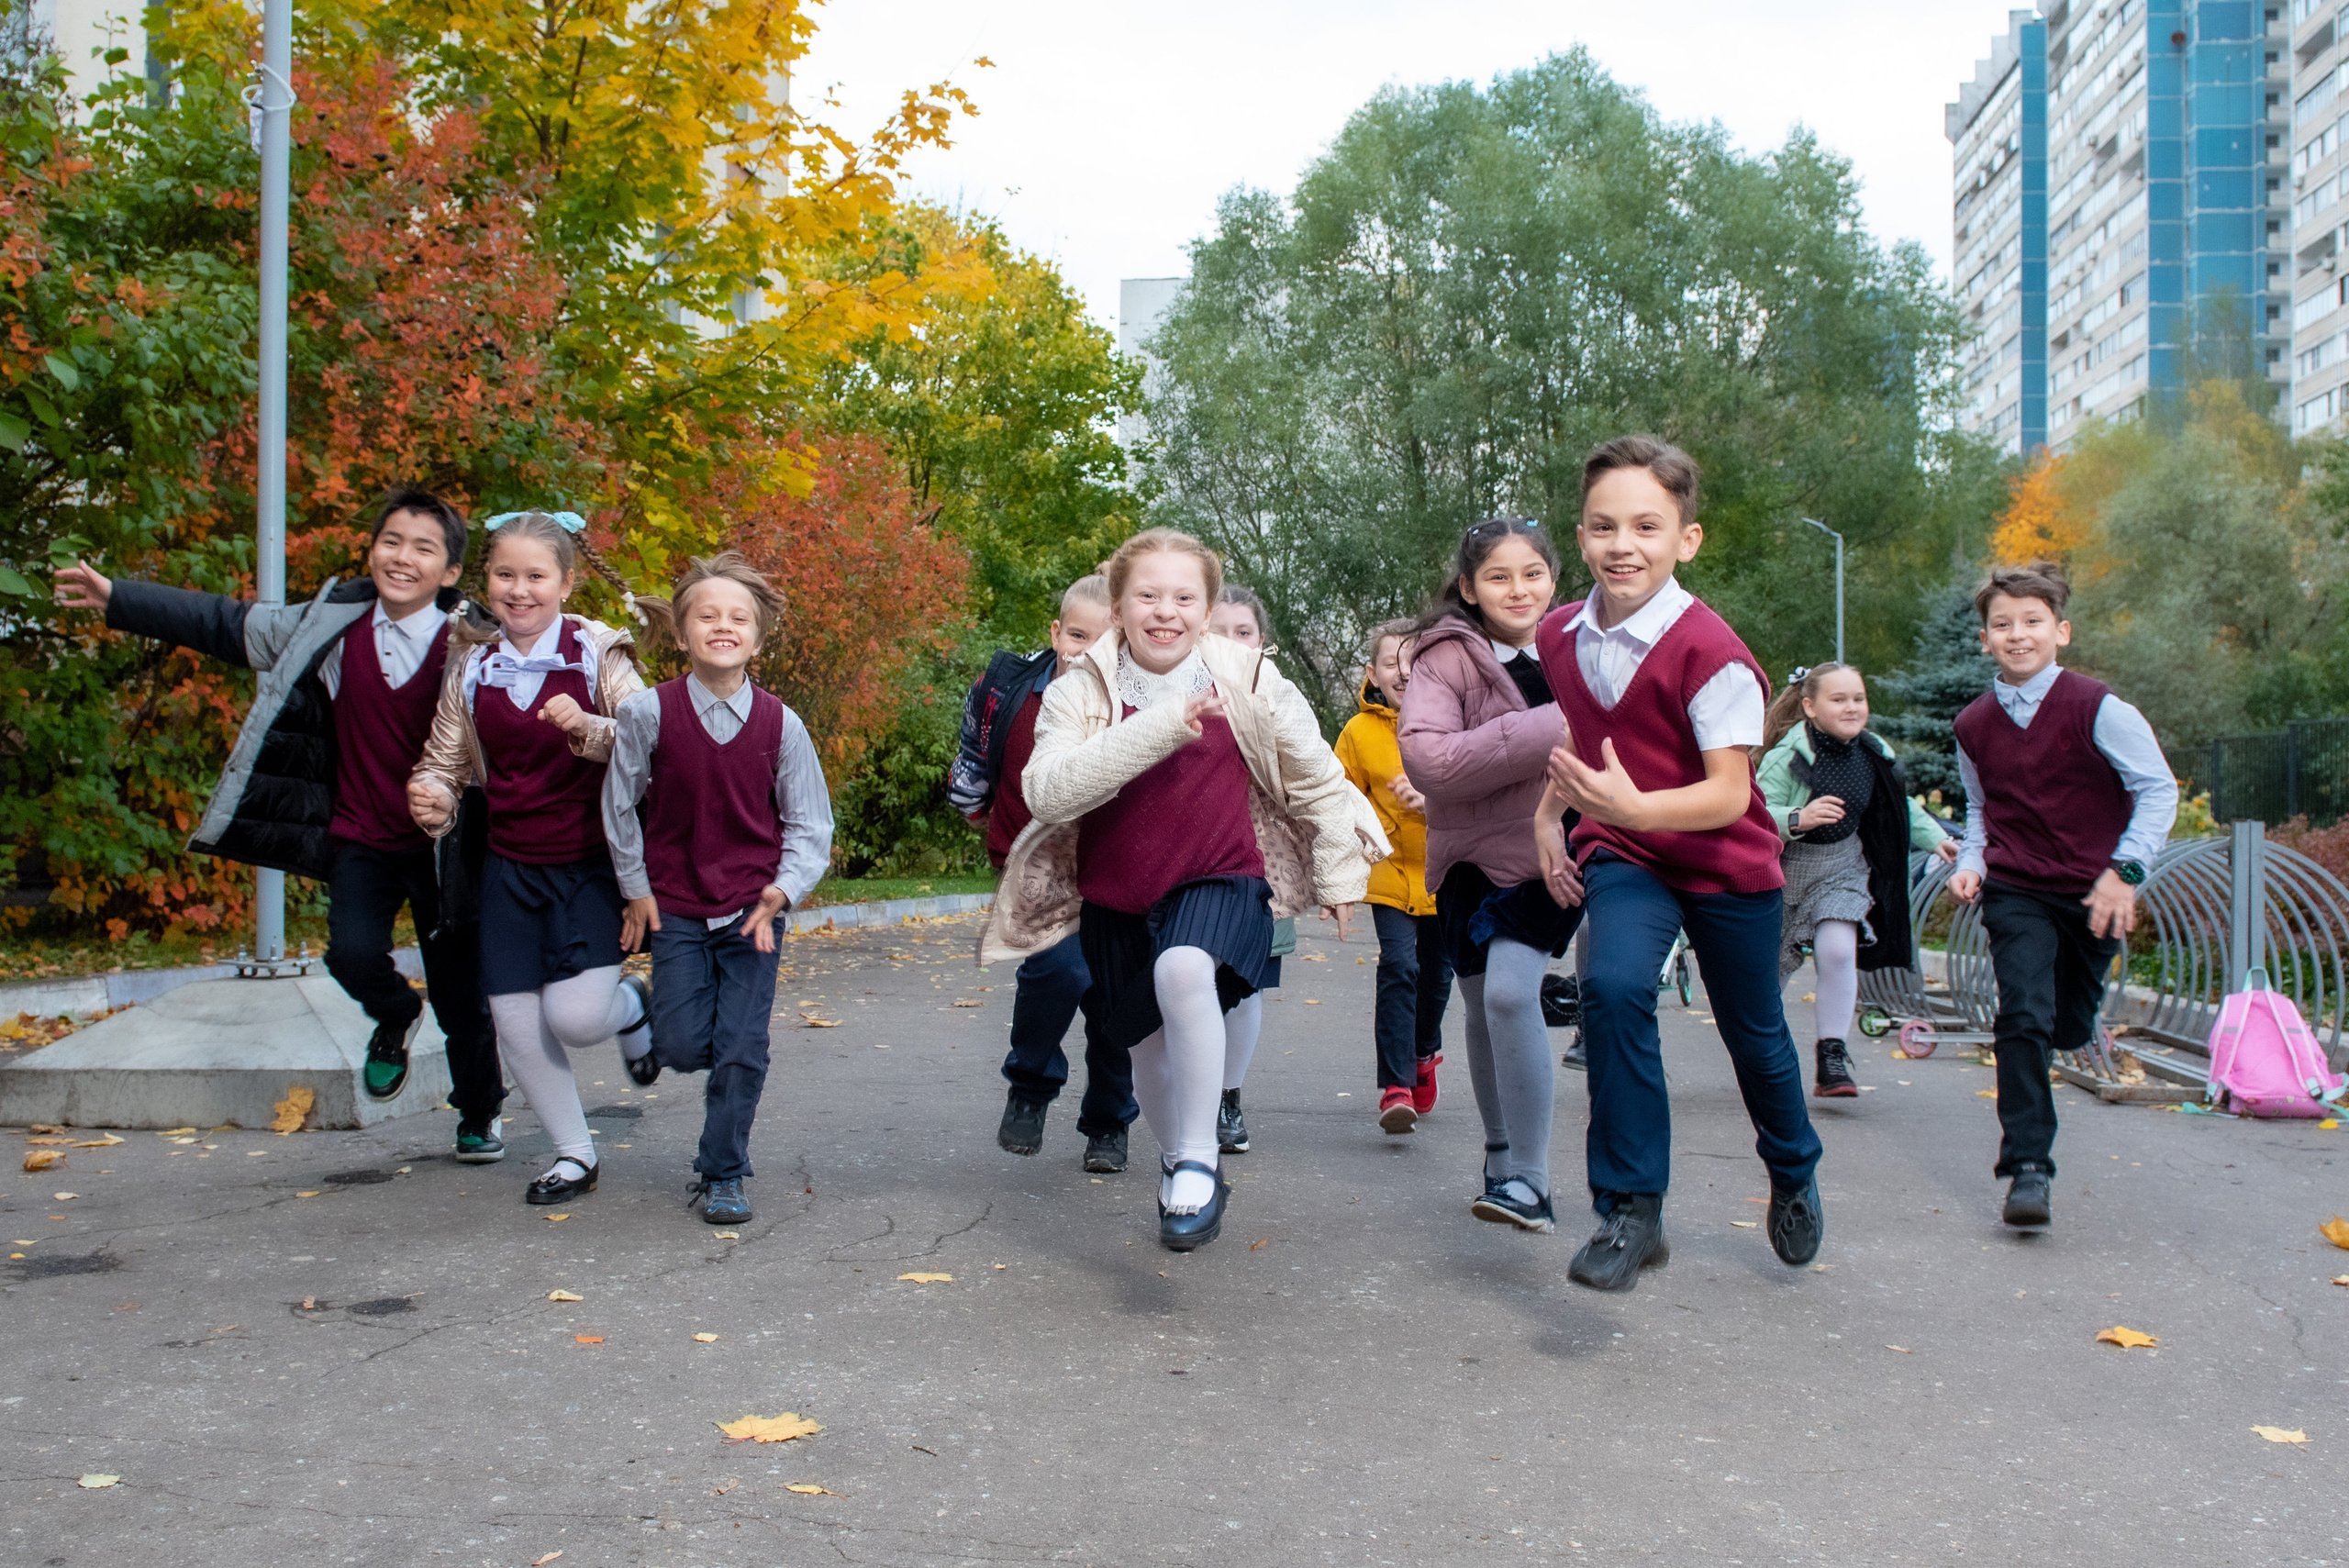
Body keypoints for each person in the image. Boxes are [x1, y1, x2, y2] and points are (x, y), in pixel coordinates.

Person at [53, 492, 505, 1162]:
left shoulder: (477, 643)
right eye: (392, 541)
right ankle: (394, 1015)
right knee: (349, 955)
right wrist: (119, 597)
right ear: (372, 549)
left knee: (460, 992)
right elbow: (223, 621)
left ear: (447, 573)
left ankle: (478, 1111)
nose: (402, 557)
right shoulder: (325, 628)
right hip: (363, 835)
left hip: (447, 850)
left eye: (423, 548)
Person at [978, 528, 1386, 1251]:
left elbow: (1316, 772)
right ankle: (1178, 1163)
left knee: (1184, 968)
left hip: (1221, 877)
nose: (1165, 610)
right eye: (1148, 595)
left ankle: (1198, 1156)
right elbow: (1048, 791)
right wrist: (1166, 724)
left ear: (1205, 608)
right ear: (1119, 604)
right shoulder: (1081, 688)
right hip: (1117, 899)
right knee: (1148, 1054)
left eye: (1183, 596)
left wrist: (1339, 871)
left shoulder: (1250, 676)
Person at [1531, 434, 1824, 1292]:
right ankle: (1632, 1209)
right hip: (1627, 853)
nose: (1624, 544)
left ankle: (1794, 1167)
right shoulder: (1560, 634)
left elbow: (1730, 794)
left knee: (1755, 1036)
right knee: (1615, 991)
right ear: (1581, 538)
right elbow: (1587, 739)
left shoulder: (1713, 654)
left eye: (1647, 526)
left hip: (1725, 861)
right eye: (1604, 526)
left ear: (1684, 541)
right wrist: (1552, 817)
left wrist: (1629, 807)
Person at [406, 509, 655, 1207]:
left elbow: (651, 742)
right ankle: (575, 1153)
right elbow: (444, 762)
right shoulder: (473, 666)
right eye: (505, 574)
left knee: (575, 1019)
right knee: (515, 1024)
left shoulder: (597, 653)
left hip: (589, 864)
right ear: (487, 578)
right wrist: (432, 796)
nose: (518, 590)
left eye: (535, 576)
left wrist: (588, 728)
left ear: (566, 583)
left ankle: (632, 1006)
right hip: (508, 868)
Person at [604, 552, 833, 1227]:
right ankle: (639, 1015)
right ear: (681, 633)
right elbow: (620, 807)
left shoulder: (781, 725)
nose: (723, 626)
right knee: (681, 1045)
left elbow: (810, 823)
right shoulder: (648, 714)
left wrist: (784, 891)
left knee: (742, 1045)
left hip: (751, 912)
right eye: (707, 615)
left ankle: (723, 1169)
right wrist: (635, 888)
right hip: (673, 903)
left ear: (757, 640)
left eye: (739, 618)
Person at [1948, 562, 2176, 1231]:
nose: (2017, 634)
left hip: (2094, 889)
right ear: (1986, 639)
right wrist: (1971, 860)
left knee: (2066, 1023)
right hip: (2016, 886)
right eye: (2002, 624)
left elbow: (2158, 789)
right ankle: (2027, 1167)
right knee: (2022, 1016)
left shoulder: (2099, 707)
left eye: (2032, 621)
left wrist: (2125, 871)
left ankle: (2074, 1028)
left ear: (2061, 630)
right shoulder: (1973, 724)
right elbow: (1980, 806)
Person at [1397, 517, 1580, 1232]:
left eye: (1532, 573)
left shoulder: (1581, 649)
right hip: (1469, 857)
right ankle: (1500, 1157)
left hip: (1558, 850)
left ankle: (1532, 1179)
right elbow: (1432, 763)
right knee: (1478, 1007)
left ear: (1554, 580)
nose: (1518, 588)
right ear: (1469, 588)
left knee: (1508, 996)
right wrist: (1555, 726)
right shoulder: (1444, 658)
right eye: (1499, 576)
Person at [947, 574, 1137, 1173]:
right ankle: (1030, 1084)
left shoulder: (1135, 705)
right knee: (1057, 967)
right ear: (1056, 633)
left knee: (1113, 996)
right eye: (1077, 635)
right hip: (1032, 860)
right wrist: (976, 810)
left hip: (1115, 867)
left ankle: (1109, 1122)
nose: (1087, 651)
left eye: (1104, 641)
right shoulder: (1010, 690)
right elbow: (975, 759)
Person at [1754, 662, 1957, 1097]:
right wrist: (1798, 817)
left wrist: (1938, 839)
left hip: (1844, 867)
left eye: (1858, 699)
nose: (1852, 707)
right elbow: (1749, 813)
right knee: (1769, 974)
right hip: (1785, 871)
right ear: (1809, 706)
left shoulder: (1874, 751)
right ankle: (1762, 1052)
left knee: (1837, 951)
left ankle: (1832, 1055)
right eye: (1838, 699)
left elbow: (1899, 806)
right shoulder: (1787, 756)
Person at [1336, 618, 1452, 1133]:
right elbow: (1339, 801)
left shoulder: (1455, 721)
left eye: (1415, 662)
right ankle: (1396, 1086)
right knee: (1399, 967)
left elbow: (1480, 786)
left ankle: (1425, 1052)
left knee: (1438, 977)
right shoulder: (1359, 732)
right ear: (1373, 673)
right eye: (1391, 664)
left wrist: (1436, 802)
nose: (1403, 673)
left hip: (1448, 870)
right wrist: (1337, 871)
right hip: (1388, 873)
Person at [1207, 582, 1279, 1153]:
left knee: (1246, 983)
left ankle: (1228, 1098)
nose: (1230, 644)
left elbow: (1311, 783)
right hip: (1184, 865)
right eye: (1217, 633)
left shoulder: (1279, 698)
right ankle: (1190, 1097)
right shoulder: (1169, 697)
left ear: (1262, 642)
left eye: (1244, 633)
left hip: (1262, 869)